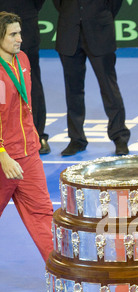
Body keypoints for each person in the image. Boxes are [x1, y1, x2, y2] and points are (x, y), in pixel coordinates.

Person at [0, 11, 53, 262]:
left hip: (29, 155)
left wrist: (32, 137)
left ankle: (61, 281)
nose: (20, 38)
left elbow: (25, 105)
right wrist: (3, 156)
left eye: (20, 32)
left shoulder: (23, 60)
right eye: (13, 34)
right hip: (4, 159)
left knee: (44, 217)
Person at [53, 0, 130, 157]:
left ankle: (119, 137)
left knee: (109, 87)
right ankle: (76, 139)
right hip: (69, 31)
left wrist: (101, 14)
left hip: (100, 29)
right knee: (73, 90)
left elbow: (115, 3)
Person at [0, 0, 50, 155]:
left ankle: (38, 134)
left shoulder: (21, 42)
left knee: (31, 84)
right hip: (2, 27)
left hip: (25, 24)